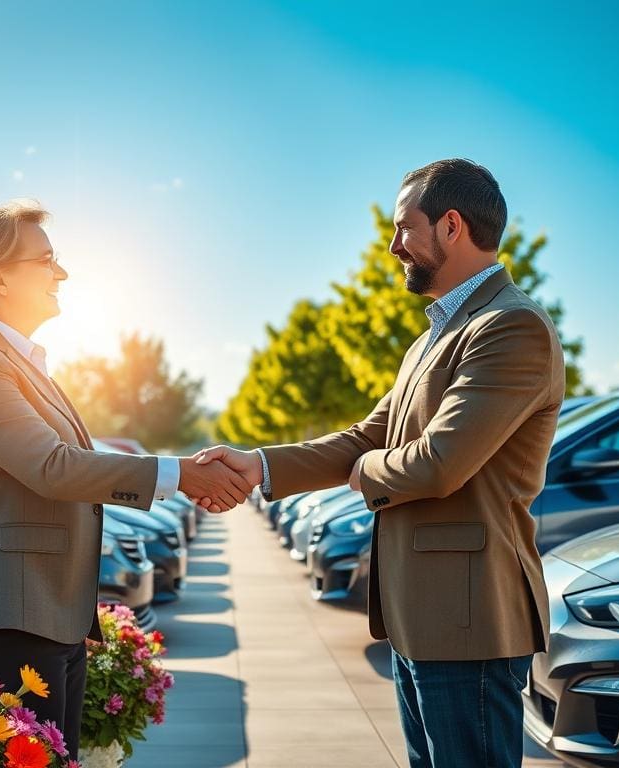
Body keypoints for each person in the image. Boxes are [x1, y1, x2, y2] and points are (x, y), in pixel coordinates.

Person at [196, 159, 565, 768]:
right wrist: (255, 465)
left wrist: (362, 473)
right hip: (421, 615)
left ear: (451, 226)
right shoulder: (435, 337)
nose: (394, 245)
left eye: (404, 228)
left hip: (467, 620)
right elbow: (365, 436)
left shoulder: (510, 326)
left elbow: (439, 464)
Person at [0, 201, 250, 757]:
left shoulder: (20, 361)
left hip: (47, 616)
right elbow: (53, 467)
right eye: (47, 259)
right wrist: (180, 475)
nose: (62, 273)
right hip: (2, 620)